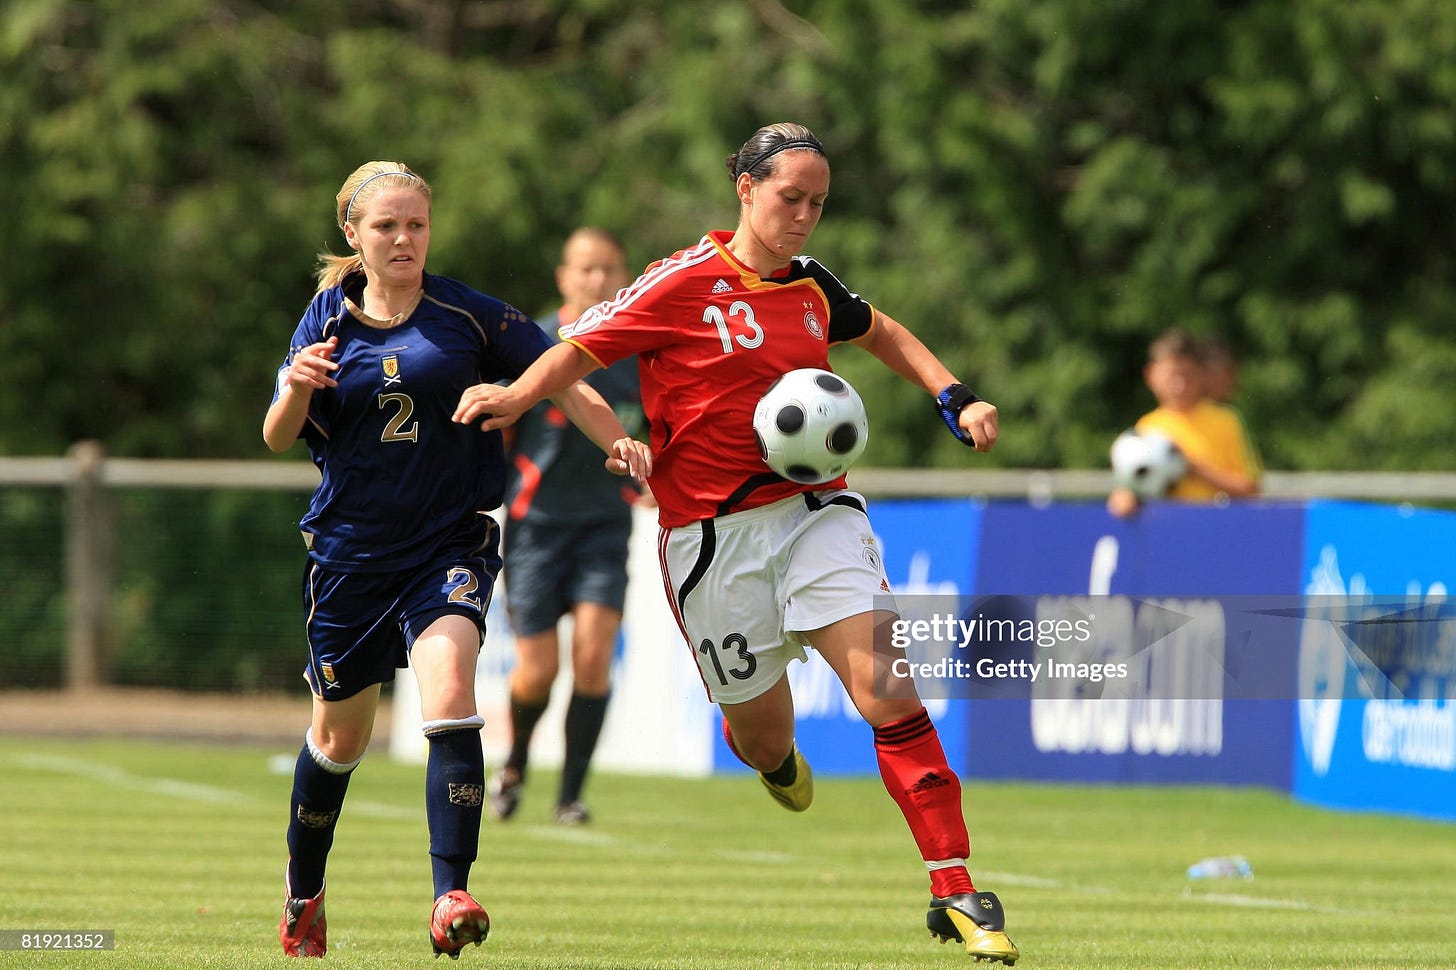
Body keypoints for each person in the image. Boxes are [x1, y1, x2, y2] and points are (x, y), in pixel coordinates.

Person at [452, 123, 1020, 965]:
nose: (805, 216)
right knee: (762, 738)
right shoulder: (678, 282)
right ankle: (771, 758)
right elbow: (575, 350)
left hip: (817, 513)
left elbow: (881, 331)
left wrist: (954, 392)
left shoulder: (811, 284)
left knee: (888, 691)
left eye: (818, 203)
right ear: (746, 189)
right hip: (711, 543)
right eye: (791, 198)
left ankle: (956, 886)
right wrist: (514, 396)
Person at [263, 161, 650, 959]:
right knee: (338, 740)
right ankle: (304, 889)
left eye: (417, 224)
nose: (404, 239)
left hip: (449, 544)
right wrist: (296, 386)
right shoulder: (324, 321)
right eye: (387, 226)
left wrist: (618, 442)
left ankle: (451, 894)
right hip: (350, 555)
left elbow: (564, 373)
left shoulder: (467, 315)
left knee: (450, 693)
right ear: (353, 234)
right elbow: (276, 434)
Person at [489, 227, 648, 826]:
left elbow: (660, 431)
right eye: (586, 268)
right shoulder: (533, 345)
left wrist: (653, 478)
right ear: (564, 277)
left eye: (608, 269)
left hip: (604, 526)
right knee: (538, 672)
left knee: (593, 656)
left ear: (625, 279)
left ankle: (570, 796)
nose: (597, 279)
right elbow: (500, 428)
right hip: (536, 528)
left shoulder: (639, 354)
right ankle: (514, 765)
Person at [1106, 327, 1261, 519]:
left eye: (1187, 376)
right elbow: (1132, 487)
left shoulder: (1225, 420)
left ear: (1202, 375)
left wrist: (1193, 468)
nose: (1179, 385)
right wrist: (1124, 497)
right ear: (1151, 375)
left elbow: (1250, 488)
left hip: (1214, 526)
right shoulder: (1147, 428)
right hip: (1167, 528)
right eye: (1171, 376)